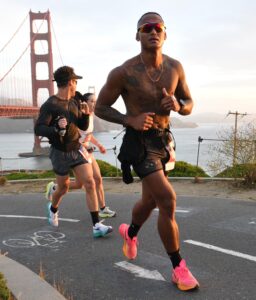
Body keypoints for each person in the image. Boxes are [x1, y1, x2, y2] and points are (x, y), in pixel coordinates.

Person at [95, 12, 199, 290]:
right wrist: (129, 119)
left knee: (151, 202)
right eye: (146, 27)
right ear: (138, 34)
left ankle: (130, 233)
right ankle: (178, 267)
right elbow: (100, 107)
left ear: (165, 34)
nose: (153, 31)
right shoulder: (123, 72)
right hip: (139, 145)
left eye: (158, 27)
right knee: (167, 200)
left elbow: (189, 102)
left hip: (164, 142)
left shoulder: (175, 67)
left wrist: (178, 106)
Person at [34, 65, 113, 238]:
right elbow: (39, 129)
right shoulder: (51, 104)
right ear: (71, 82)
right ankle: (53, 208)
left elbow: (82, 126)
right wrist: (55, 128)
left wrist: (85, 115)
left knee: (90, 182)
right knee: (63, 188)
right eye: (75, 81)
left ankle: (96, 225)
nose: (76, 85)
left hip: (76, 148)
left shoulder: (75, 101)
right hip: (59, 152)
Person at [46, 92, 116, 218]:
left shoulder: (91, 115)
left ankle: (103, 208)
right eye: (92, 101)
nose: (94, 103)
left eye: (95, 101)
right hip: (79, 151)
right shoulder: (78, 115)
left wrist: (99, 145)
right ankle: (56, 188)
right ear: (85, 103)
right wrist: (85, 145)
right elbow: (74, 138)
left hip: (87, 151)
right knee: (84, 184)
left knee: (95, 180)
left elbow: (88, 134)